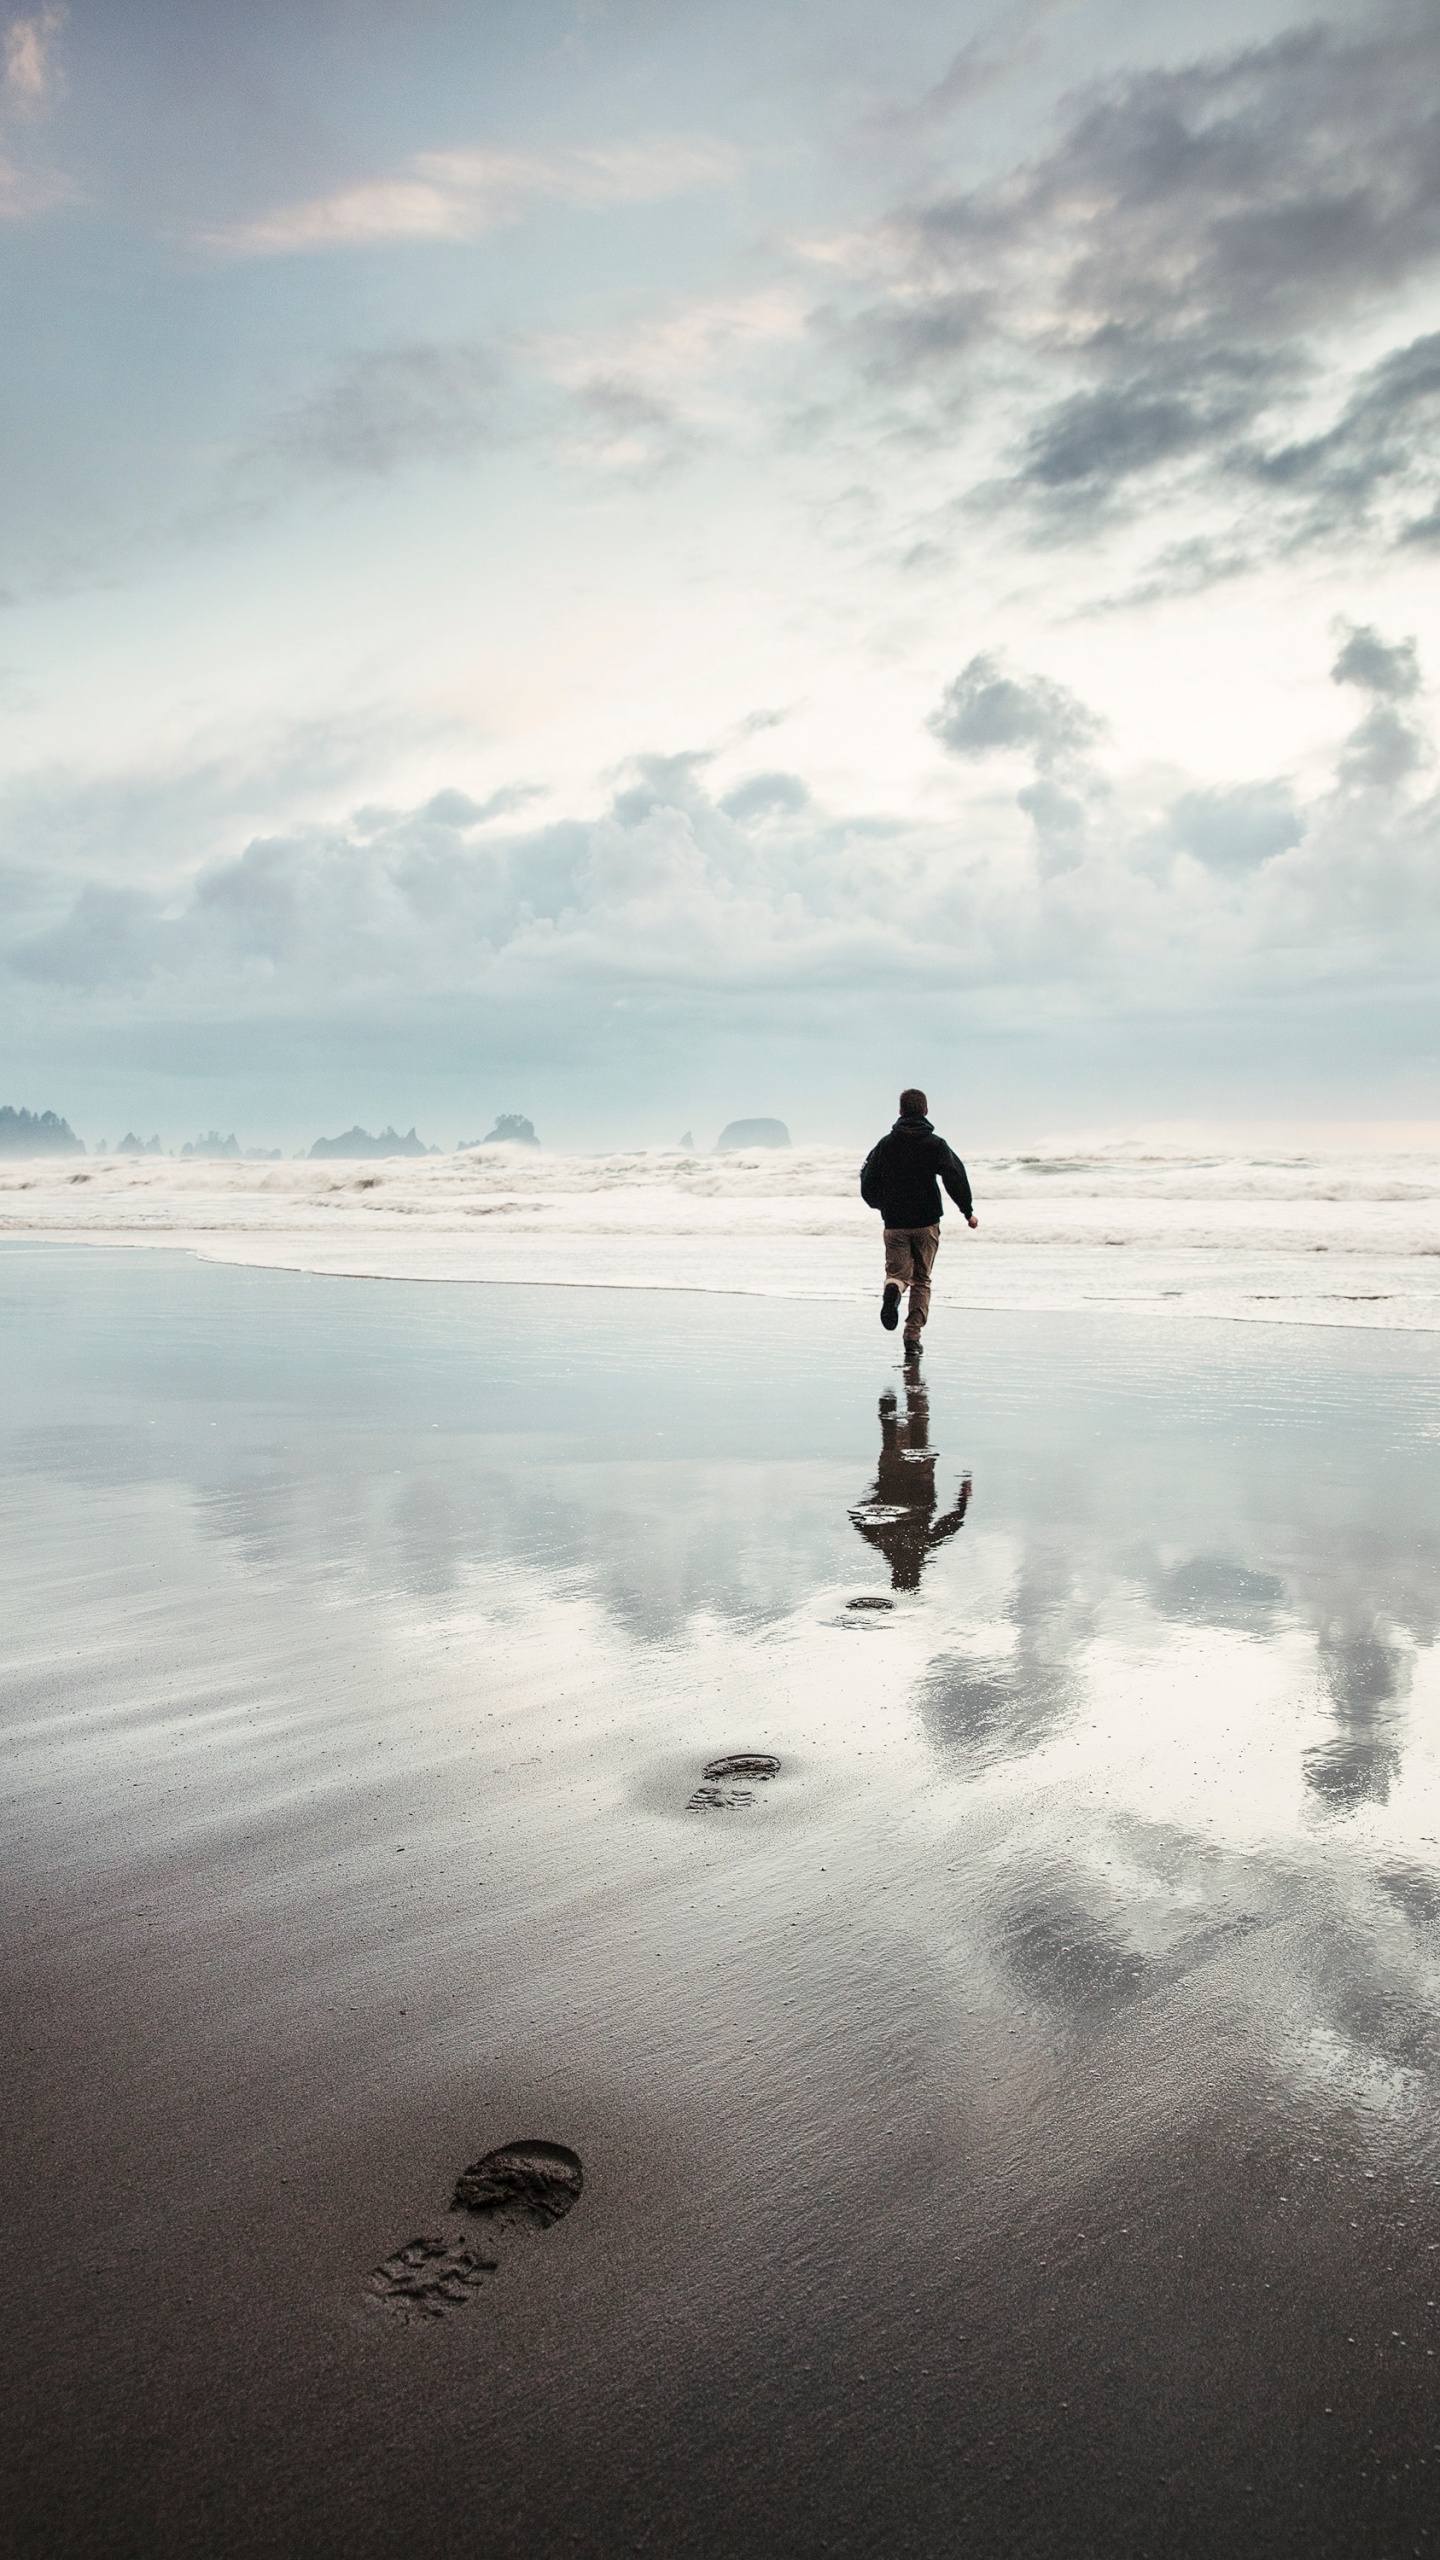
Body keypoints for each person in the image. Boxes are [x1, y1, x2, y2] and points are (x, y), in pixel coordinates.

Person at [859, 1088, 977, 1356]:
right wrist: (967, 1211)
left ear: (900, 1112)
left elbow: (867, 1180)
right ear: (925, 1111)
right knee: (922, 1280)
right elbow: (955, 1177)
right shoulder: (935, 1144)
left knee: (897, 1274)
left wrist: (881, 1205)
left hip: (895, 1223)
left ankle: (893, 1289)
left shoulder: (885, 1145)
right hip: (926, 1222)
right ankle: (912, 1338)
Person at [849, 1375, 972, 1592]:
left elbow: (952, 1522)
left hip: (918, 1479)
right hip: (894, 1478)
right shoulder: (883, 1543)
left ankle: (908, 1393)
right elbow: (856, 1518)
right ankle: (890, 1405)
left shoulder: (919, 1545)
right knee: (891, 1441)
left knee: (917, 1429)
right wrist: (875, 1496)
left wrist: (963, 1498)